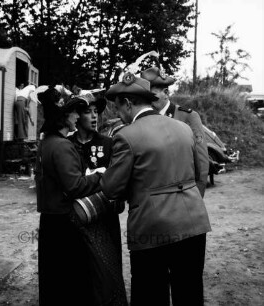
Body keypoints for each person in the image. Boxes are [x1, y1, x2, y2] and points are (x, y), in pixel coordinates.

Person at [101, 72, 211, 306]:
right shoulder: (183, 128)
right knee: (189, 292)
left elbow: (112, 189)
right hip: (193, 223)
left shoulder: (126, 136)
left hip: (152, 229)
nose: (119, 116)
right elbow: (197, 169)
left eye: (118, 109)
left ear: (128, 104)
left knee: (150, 295)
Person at [35, 85, 105, 306]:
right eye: (74, 111)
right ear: (62, 116)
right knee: (72, 284)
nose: (77, 116)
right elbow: (74, 186)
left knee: (53, 283)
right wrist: (101, 175)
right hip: (66, 224)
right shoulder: (62, 146)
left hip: (49, 222)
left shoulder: (46, 143)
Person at [68, 90, 127, 305]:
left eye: (96, 112)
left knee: (107, 269)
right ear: (76, 116)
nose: (94, 116)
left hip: (103, 216)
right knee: (79, 268)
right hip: (76, 217)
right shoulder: (68, 144)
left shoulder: (108, 143)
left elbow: (117, 180)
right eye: (87, 112)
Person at [141, 67, 209, 197]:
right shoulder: (144, 119)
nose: (148, 102)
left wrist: (197, 198)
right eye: (146, 98)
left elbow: (201, 163)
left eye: (152, 97)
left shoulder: (188, 117)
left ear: (166, 93)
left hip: (182, 195)